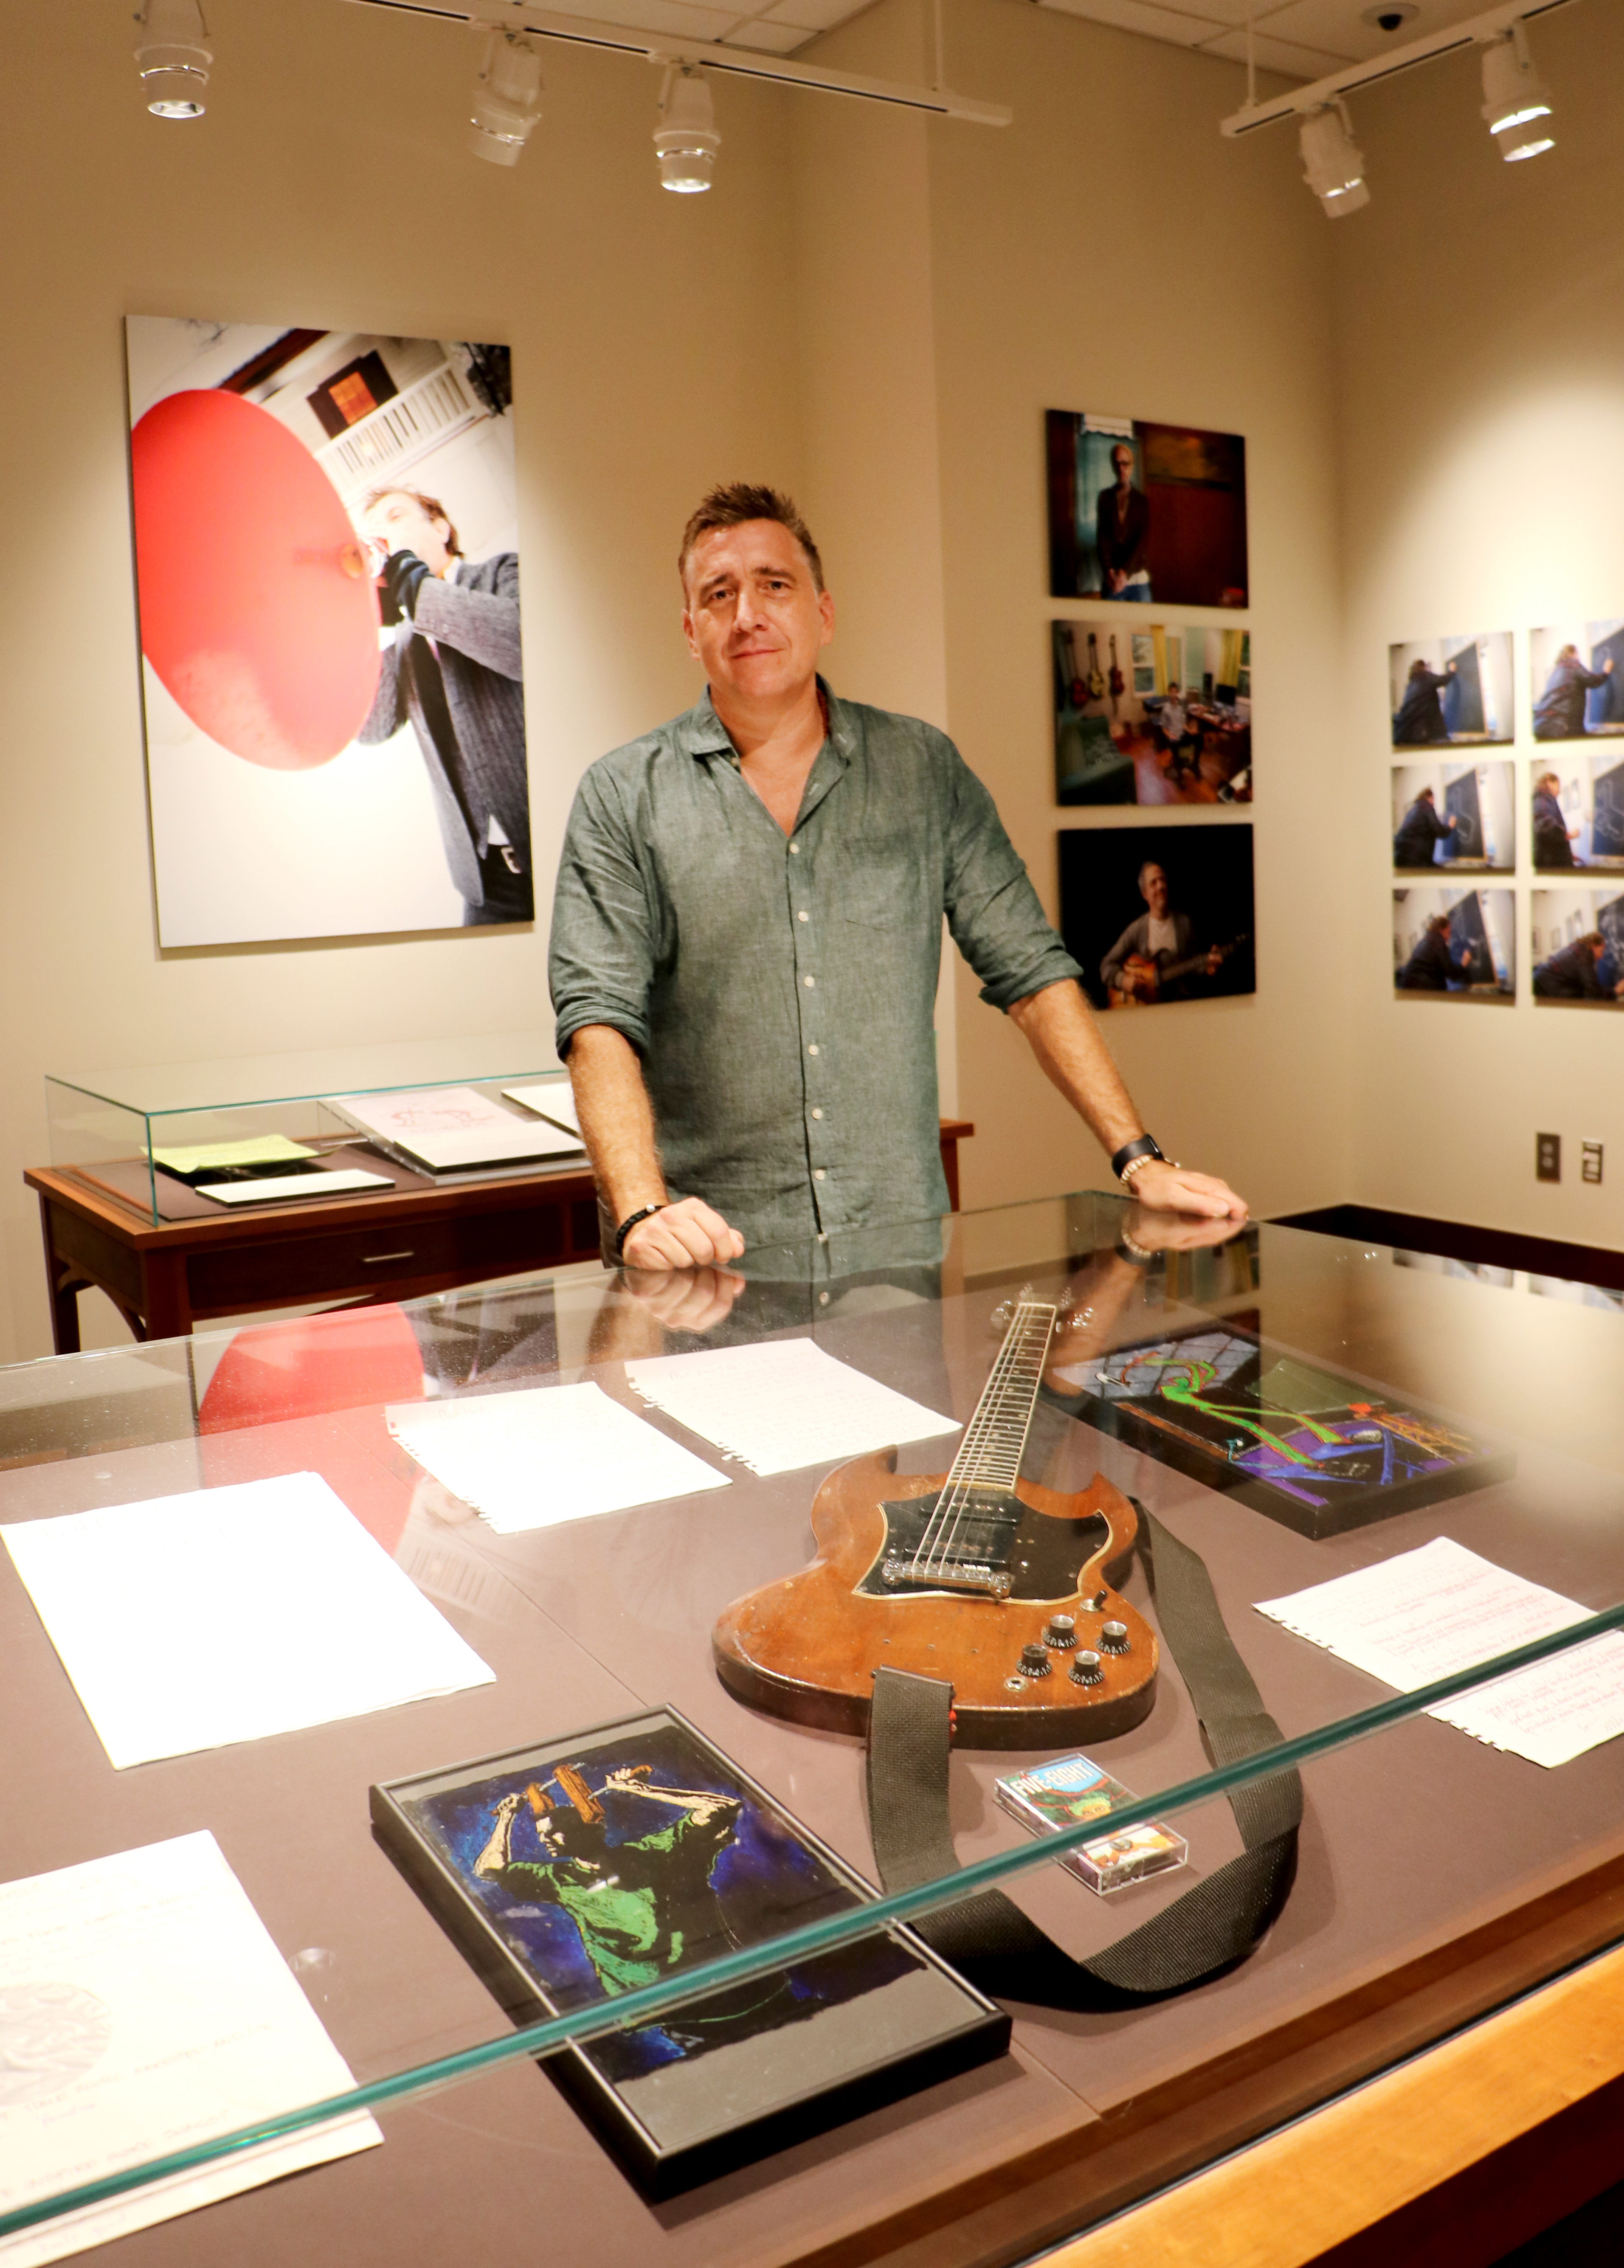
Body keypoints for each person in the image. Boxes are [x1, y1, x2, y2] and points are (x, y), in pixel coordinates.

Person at [549, 484, 1245, 1273]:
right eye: (719, 594)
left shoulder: (922, 770)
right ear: (690, 630)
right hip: (703, 1261)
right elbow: (596, 1019)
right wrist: (644, 1210)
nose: (748, 613)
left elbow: (1031, 970)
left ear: (824, 613)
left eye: (775, 584)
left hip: (891, 1259)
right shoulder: (622, 795)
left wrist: (1139, 1159)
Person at [356, 486, 530, 926]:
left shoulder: (503, 571)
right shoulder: (403, 635)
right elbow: (369, 727)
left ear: (441, 527)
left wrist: (420, 590)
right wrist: (360, 626)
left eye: (394, 517)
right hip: (484, 883)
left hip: (559, 851)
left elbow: (520, 645)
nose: (381, 535)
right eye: (372, 531)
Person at [474, 1770, 743, 1998]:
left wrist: (640, 1789)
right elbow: (488, 1870)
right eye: (541, 1834)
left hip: (729, 1987)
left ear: (584, 1826)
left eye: (553, 1831)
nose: (545, 1840)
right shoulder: (558, 1879)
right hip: (657, 2007)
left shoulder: (652, 1852)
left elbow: (723, 1807)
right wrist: (506, 1817)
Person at [1099, 862, 1223, 1005]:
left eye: (1163, 880)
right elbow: (1106, 966)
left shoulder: (1184, 923)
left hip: (1181, 1005)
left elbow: (1195, 968)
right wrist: (1124, 980)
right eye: (1154, 883)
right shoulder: (1137, 929)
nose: (1161, 886)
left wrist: (1208, 969)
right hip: (1148, 1010)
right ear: (1145, 894)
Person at [1095, 444, 1151, 602]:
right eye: (1117, 463)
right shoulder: (1105, 498)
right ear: (1113, 466)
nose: (1121, 468)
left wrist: (1124, 572)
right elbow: (1102, 538)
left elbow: (1141, 541)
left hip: (1136, 578)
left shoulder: (1141, 501)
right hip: (1112, 579)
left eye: (1125, 463)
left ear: (1132, 466)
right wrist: (1109, 571)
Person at [1534, 645, 1612, 740]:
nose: (1579, 659)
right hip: (1562, 728)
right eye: (1577, 655)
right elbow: (1594, 681)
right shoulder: (1573, 665)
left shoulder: (1555, 671)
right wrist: (1606, 672)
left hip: (1541, 726)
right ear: (1572, 654)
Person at [1532, 931, 1624, 1001]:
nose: (1601, 956)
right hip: (1544, 987)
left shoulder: (1578, 949)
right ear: (1593, 946)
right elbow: (1593, 993)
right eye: (1601, 951)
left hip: (1539, 980)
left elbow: (1589, 986)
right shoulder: (1584, 956)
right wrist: (1616, 991)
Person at [1396, 912, 1469, 991]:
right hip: (1422, 989)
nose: (1450, 936)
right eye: (1449, 932)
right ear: (1442, 930)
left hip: (1407, 986)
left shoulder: (1426, 940)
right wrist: (1464, 963)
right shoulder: (1438, 942)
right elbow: (1452, 974)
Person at [1392, 656, 1455, 746]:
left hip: (1407, 733)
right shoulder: (1425, 676)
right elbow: (1443, 680)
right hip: (1424, 731)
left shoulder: (1411, 684)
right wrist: (1452, 671)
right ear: (1424, 667)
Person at [1393, 784, 1457, 869]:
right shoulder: (1427, 806)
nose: (1434, 803)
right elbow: (1439, 831)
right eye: (1433, 800)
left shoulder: (1413, 809)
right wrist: (1450, 826)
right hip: (1416, 860)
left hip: (1400, 859)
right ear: (1429, 797)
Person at [1532, 771, 1581, 869]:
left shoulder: (1543, 799)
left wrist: (1568, 856)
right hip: (1550, 864)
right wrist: (1568, 835)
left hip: (1552, 861)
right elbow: (1544, 824)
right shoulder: (1542, 799)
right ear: (1549, 782)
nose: (1559, 791)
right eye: (1558, 785)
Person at [1155, 684, 1196, 781]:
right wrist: (1171, 736)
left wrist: (1189, 730)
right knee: (1176, 745)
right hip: (1172, 736)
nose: (1174, 694)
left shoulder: (1181, 707)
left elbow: (1183, 723)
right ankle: (1179, 774)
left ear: (1178, 693)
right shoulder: (1166, 708)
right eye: (1172, 692)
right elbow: (1164, 729)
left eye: (1176, 692)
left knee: (1197, 737)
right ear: (1169, 693)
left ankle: (1195, 767)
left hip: (1182, 734)